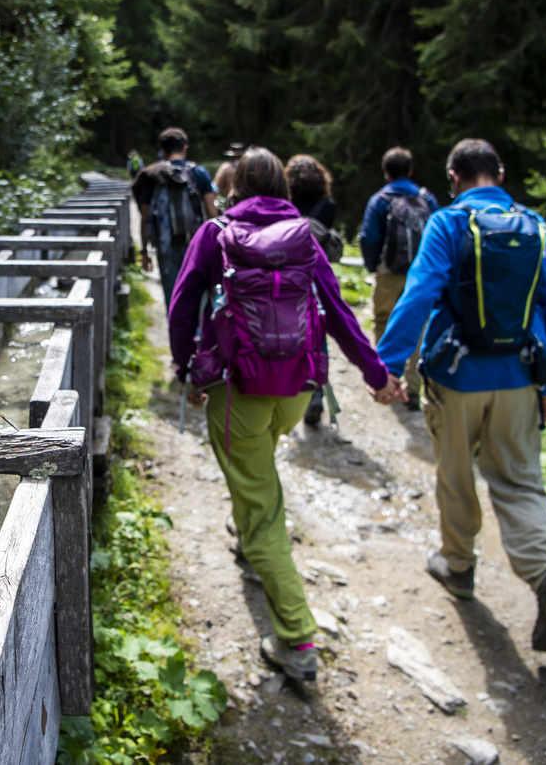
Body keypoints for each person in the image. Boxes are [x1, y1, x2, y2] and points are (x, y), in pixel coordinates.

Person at [169, 147, 406, 680]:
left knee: (260, 509)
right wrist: (378, 376)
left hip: (238, 389)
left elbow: (183, 304)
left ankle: (296, 641)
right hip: (295, 389)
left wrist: (188, 373)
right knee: (260, 473)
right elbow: (340, 314)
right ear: (282, 188)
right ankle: (255, 538)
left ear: (234, 188)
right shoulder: (303, 235)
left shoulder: (215, 234)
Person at [377, 138, 546, 652]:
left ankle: (459, 567)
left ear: (453, 176)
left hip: (457, 377)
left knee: (456, 471)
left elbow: (418, 292)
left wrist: (387, 365)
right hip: (519, 377)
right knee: (520, 479)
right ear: (502, 173)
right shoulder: (536, 226)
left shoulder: (447, 223)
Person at [358, 146, 440, 409]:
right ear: (410, 170)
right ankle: (414, 387)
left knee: (383, 319)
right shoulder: (427, 198)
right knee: (419, 324)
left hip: (389, 272)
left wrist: (374, 266)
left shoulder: (380, 200)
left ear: (386, 172)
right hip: (423, 274)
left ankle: (386, 380)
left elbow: (369, 237)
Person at [284, 154, 342, 426]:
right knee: (319, 334)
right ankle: (318, 390)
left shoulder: (286, 205)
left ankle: (294, 388)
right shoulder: (328, 206)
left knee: (292, 332)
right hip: (318, 275)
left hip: (289, 276)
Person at [132, 127, 219, 308]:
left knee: (174, 301)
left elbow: (145, 217)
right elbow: (212, 213)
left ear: (162, 150)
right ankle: (198, 335)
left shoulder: (151, 175)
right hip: (195, 246)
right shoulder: (199, 173)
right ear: (185, 147)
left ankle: (176, 334)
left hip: (166, 248)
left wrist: (145, 253)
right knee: (199, 300)